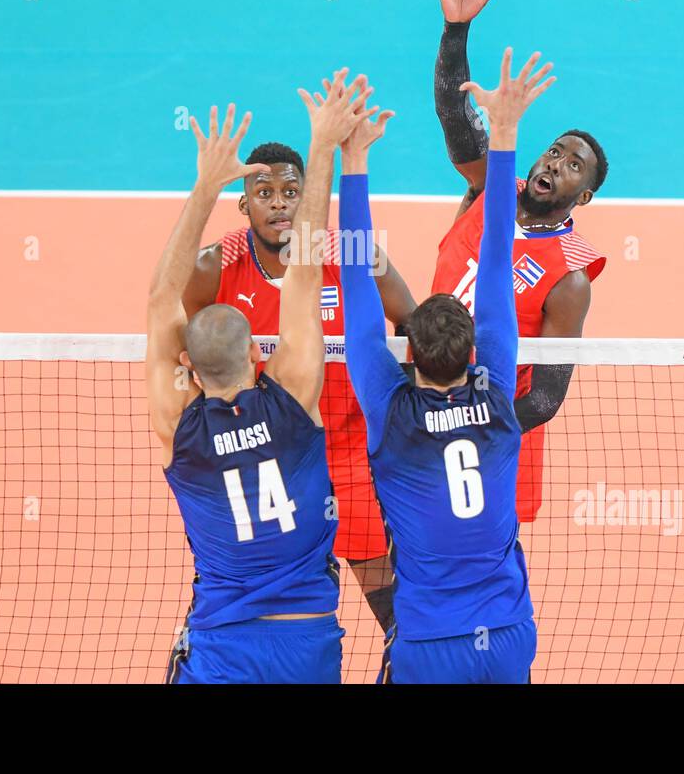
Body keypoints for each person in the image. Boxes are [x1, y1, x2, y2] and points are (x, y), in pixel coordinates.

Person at [146, 78, 371, 683]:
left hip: (223, 647)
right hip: (306, 643)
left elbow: (162, 296)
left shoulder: (180, 431)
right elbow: (304, 272)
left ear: (189, 367)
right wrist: (324, 144)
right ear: (257, 353)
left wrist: (205, 185)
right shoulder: (296, 403)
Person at [341, 48, 554, 683]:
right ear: (476, 351)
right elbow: (496, 256)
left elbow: (357, 278)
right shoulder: (497, 402)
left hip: (429, 645)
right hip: (510, 635)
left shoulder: (390, 409)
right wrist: (508, 130)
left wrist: (353, 160)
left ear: (406, 354)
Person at [181, 75, 416, 634]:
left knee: (391, 606)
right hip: (269, 460)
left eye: (292, 191)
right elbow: (186, 349)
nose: (280, 204)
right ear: (243, 204)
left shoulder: (355, 255)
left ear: (309, 196)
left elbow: (413, 326)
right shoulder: (215, 267)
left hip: (350, 455)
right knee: (262, 603)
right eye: (265, 193)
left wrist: (398, 416)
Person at [431, 0, 609, 522]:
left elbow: (547, 397)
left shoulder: (571, 275)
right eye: (556, 150)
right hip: (419, 395)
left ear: (582, 196)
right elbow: (457, 119)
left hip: (490, 432)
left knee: (481, 561)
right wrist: (456, 30)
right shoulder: (492, 190)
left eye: (573, 165)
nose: (556, 162)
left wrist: (468, 418)